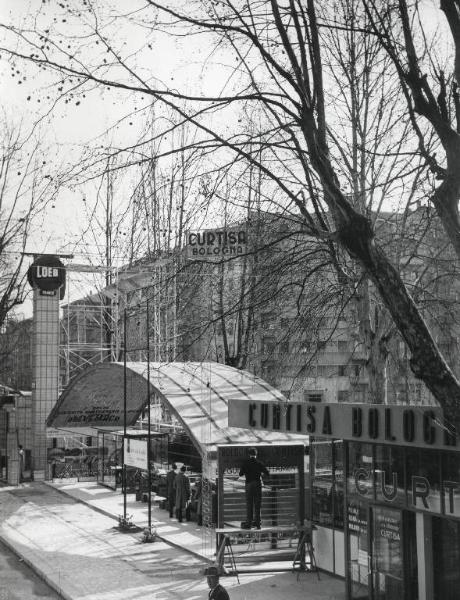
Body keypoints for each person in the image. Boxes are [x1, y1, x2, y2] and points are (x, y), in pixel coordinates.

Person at [239, 447, 269, 529]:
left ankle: (248, 523)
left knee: (249, 504)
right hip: (257, 484)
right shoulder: (259, 463)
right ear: (256, 454)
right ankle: (258, 523)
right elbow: (267, 473)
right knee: (257, 504)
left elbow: (240, 474)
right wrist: (261, 474)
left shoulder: (246, 463)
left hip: (249, 484)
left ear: (249, 454)